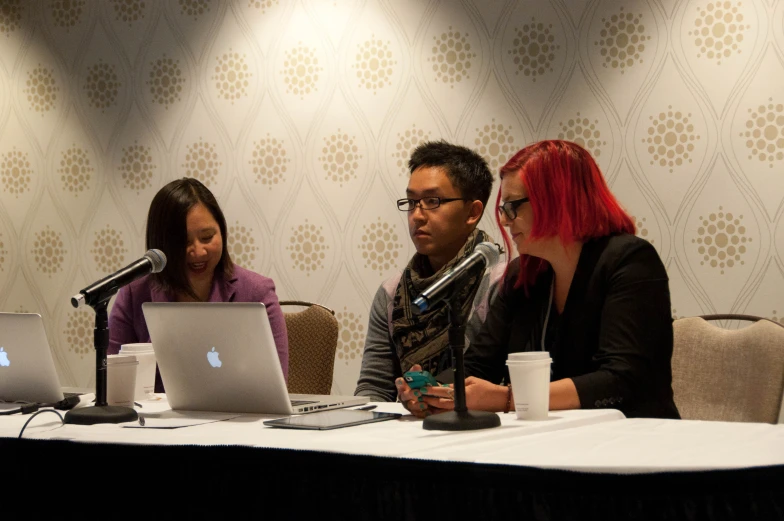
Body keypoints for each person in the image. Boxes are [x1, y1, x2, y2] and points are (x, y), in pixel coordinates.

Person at [417, 140, 680, 419]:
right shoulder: (523, 275)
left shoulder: (630, 261)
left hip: (634, 441)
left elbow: (623, 379)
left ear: (557, 200)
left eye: (512, 206)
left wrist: (510, 399)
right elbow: (479, 366)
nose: (504, 221)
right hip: (553, 441)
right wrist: (433, 392)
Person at [354, 141, 503, 413]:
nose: (417, 216)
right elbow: (374, 388)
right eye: (411, 202)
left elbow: (507, 380)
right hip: (412, 435)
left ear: (473, 212)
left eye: (433, 201)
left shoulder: (501, 283)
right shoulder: (391, 293)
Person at [108, 178, 288, 393]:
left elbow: (275, 389)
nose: (198, 251)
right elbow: (114, 386)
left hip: (236, 423)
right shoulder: (134, 294)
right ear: (161, 244)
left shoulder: (257, 292)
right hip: (155, 424)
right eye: (184, 243)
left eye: (207, 237)